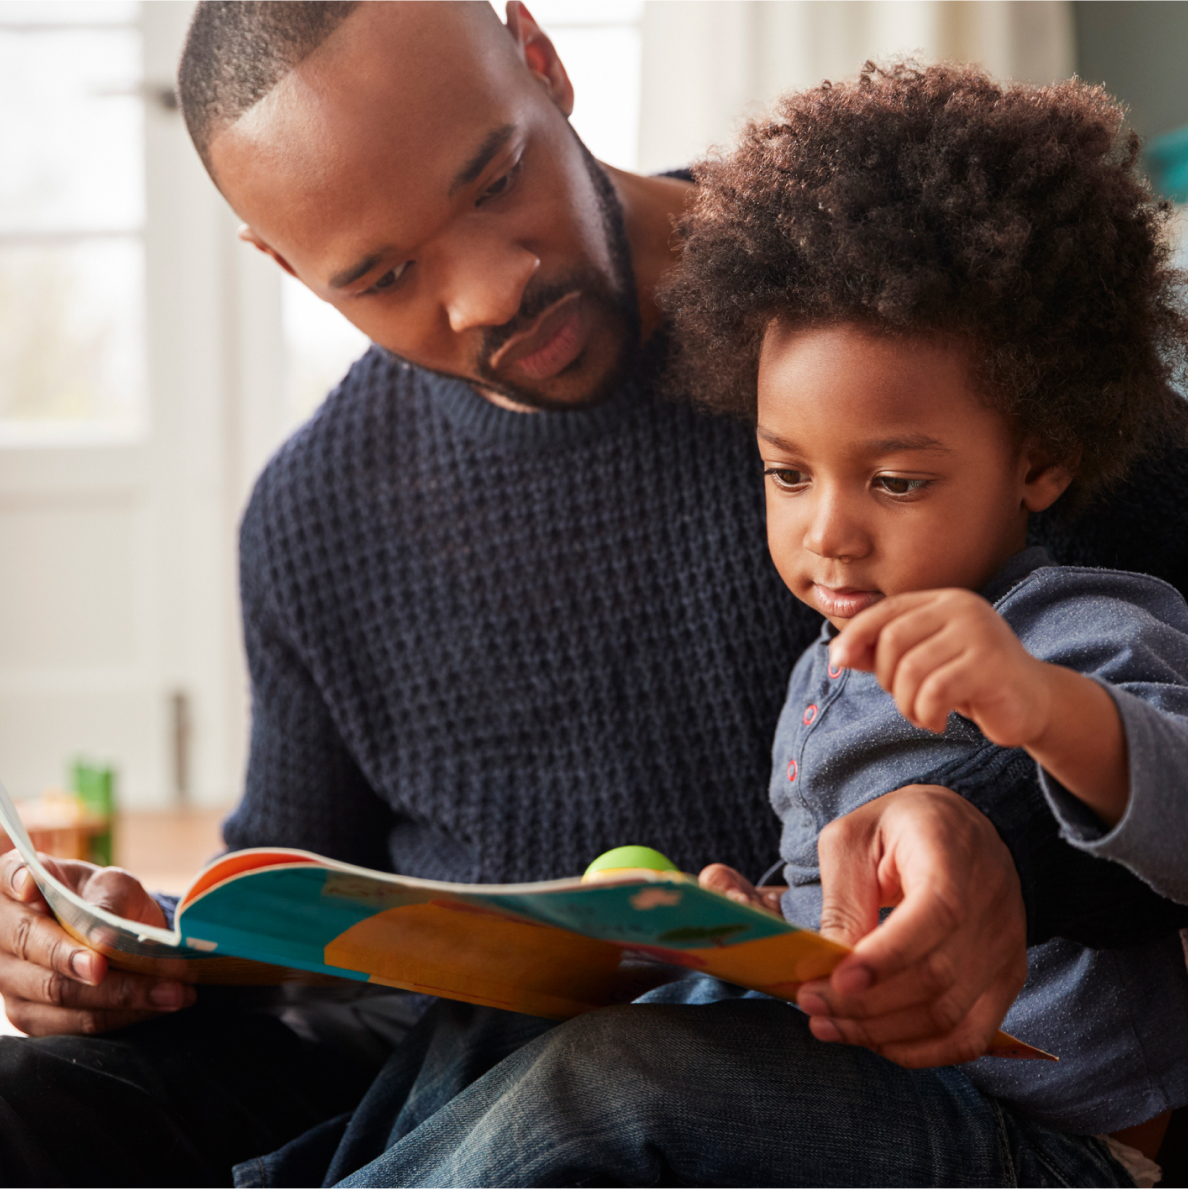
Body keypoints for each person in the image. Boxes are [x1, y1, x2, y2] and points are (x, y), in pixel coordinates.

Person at [0, 4, 1184, 1185]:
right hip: (497, 1053)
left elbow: (1138, 708)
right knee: (38, 1102)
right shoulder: (312, 515)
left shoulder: (899, 308)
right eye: (385, 274)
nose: (487, 291)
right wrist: (133, 953)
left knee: (609, 1073)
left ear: (539, 58)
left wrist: (1005, 857)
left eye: (495, 180)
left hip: (806, 1085)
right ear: (282, 260)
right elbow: (299, 893)